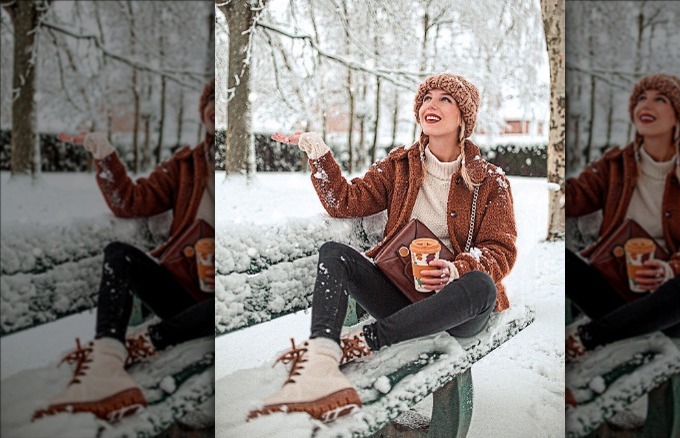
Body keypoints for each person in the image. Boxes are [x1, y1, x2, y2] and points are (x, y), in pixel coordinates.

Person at [252, 73, 517, 421]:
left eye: (445, 99)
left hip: (456, 310)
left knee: (481, 285)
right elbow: (345, 201)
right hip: (401, 298)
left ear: (463, 118)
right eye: (426, 98)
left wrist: (457, 270)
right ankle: (321, 360)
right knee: (334, 254)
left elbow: (500, 249)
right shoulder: (399, 167)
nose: (431, 105)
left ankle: (363, 342)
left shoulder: (490, 181)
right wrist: (317, 152)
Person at [32, 78, 216, 421]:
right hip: (183, 294)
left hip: (220, 308)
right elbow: (130, 201)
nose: (216, 108)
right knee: (120, 254)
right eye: (211, 100)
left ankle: (146, 342)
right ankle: (106, 362)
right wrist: (105, 155)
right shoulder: (185, 165)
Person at [564, 74, 680, 402]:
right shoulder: (613, 167)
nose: (646, 104)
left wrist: (672, 269)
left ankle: (584, 339)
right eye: (641, 98)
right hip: (615, 296)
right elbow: (571, 197)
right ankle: (591, 349)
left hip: (670, 308)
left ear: (678, 117)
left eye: (660, 99)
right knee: (564, 259)